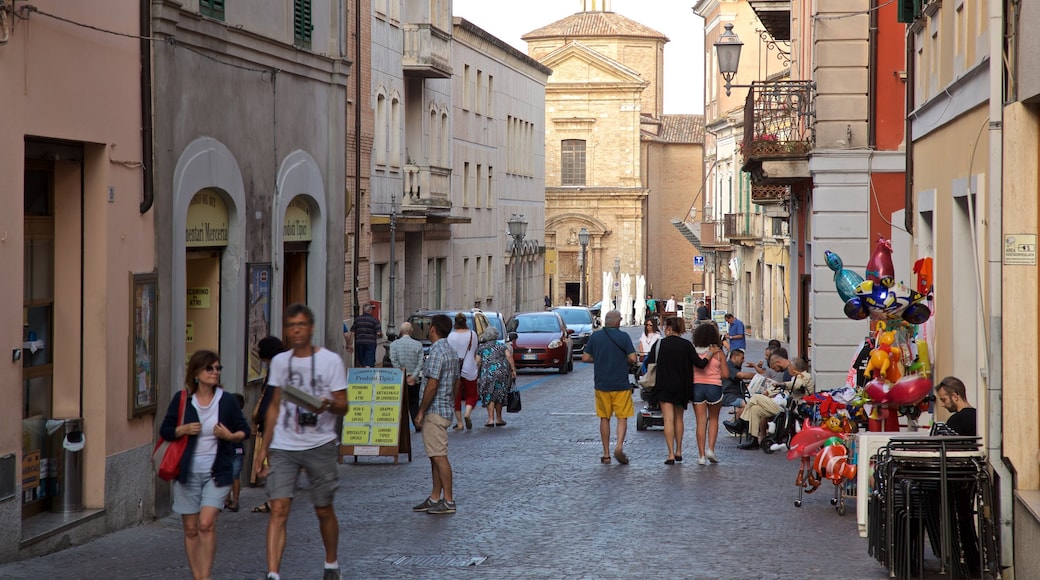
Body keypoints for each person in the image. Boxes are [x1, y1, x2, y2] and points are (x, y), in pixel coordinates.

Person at [254, 304, 349, 580]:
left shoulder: (331, 361)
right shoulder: (281, 362)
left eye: (301, 325)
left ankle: (331, 563)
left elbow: (344, 405)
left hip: (320, 443)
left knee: (323, 508)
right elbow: (273, 407)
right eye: (291, 325)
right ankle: (273, 573)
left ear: (311, 328)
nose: (296, 330)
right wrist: (262, 451)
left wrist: (328, 404)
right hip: (284, 445)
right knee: (279, 507)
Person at [159, 350, 249, 580]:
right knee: (190, 529)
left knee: (206, 523)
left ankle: (206, 576)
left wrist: (229, 436)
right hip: (187, 472)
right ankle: (197, 576)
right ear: (197, 373)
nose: (215, 372)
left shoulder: (227, 401)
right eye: (210, 368)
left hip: (217, 473)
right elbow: (166, 430)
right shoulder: (183, 401)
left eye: (218, 368)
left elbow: (245, 430)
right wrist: (183, 430)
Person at [413, 314, 462, 515]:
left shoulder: (436, 353)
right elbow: (457, 380)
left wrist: (421, 411)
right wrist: (450, 398)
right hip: (444, 408)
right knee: (434, 455)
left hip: (434, 411)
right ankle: (435, 497)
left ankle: (448, 500)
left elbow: (432, 385)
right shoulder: (450, 351)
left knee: (439, 456)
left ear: (432, 329)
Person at [582, 310, 637, 465]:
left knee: (604, 417)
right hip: (621, 383)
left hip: (602, 383)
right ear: (618, 322)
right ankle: (619, 446)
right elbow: (633, 358)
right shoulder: (623, 337)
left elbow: (585, 357)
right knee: (622, 417)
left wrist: (599, 359)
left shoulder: (596, 336)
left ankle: (606, 454)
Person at [645, 316, 698, 464]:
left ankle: (670, 454)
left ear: (668, 328)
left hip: (664, 385)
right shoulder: (686, 345)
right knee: (679, 419)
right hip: (682, 386)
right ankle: (679, 450)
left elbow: (649, 361)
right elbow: (698, 363)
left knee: (668, 419)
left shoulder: (660, 343)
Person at [736, 356, 812, 450]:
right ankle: (753, 440)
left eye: (789, 367)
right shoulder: (795, 377)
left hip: (791, 409)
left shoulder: (804, 376)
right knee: (755, 409)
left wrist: (784, 384)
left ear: (793, 368)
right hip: (785, 405)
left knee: (756, 397)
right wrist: (771, 390)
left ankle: (740, 423)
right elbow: (786, 390)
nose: (788, 369)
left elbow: (798, 384)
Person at [250, 336, 285, 513]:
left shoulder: (276, 368)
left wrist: (259, 421)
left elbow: (270, 397)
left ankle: (275, 500)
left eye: (259, 347)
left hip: (275, 425)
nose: (256, 350)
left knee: (274, 464)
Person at [691, 322, 729, 464]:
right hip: (714, 387)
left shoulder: (694, 351)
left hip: (697, 387)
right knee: (713, 419)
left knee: (700, 421)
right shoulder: (718, 353)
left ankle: (701, 455)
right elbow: (725, 374)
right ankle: (711, 450)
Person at [475, 325, 515, 427]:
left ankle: (490, 419)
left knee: (489, 395)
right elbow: (509, 356)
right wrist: (513, 370)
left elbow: (478, 362)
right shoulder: (501, 346)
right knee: (499, 394)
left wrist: (476, 373)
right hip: (501, 373)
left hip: (487, 373)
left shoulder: (481, 347)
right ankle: (499, 418)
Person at [389, 321, 424, 433]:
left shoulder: (393, 345)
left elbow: (393, 360)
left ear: (400, 331)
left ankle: (400, 427)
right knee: (414, 403)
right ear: (411, 331)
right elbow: (420, 363)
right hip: (414, 380)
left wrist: (402, 373)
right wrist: (413, 376)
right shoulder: (418, 345)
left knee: (400, 403)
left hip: (400, 379)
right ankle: (417, 423)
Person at [447, 312, 479, 430]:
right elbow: (475, 350)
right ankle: (467, 413)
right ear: (466, 322)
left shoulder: (451, 336)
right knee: (472, 394)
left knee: (456, 396)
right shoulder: (472, 335)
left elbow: (449, 352)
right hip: (470, 368)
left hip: (455, 369)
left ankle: (459, 423)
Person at [225, 392, 246, 513]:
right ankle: (229, 499)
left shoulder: (237, 418)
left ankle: (233, 500)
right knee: (231, 476)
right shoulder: (235, 417)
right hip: (233, 450)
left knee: (233, 476)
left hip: (235, 450)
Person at [348, 303, 383, 367]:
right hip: (370, 343)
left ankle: (363, 370)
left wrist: (350, 344)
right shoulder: (374, 320)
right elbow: (378, 333)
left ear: (363, 310)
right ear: (370, 310)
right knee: (369, 361)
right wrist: (381, 335)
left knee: (362, 361)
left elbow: (352, 332)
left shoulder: (357, 320)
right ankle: (368, 373)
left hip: (359, 342)